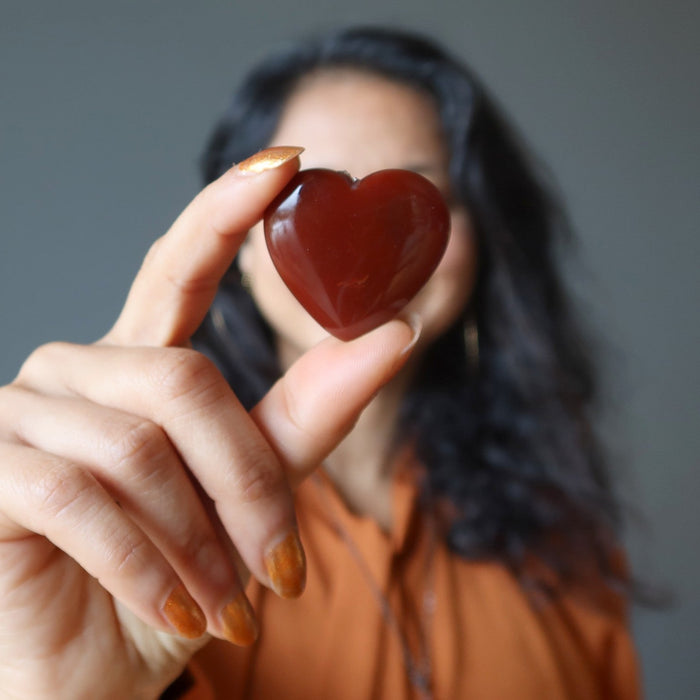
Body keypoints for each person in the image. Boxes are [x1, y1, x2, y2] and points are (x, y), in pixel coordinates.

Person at [0, 26, 640, 699]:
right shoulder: (140, 532)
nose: (360, 248)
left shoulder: (568, 550)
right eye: (302, 196)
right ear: (243, 248)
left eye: (417, 198)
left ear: (478, 240)